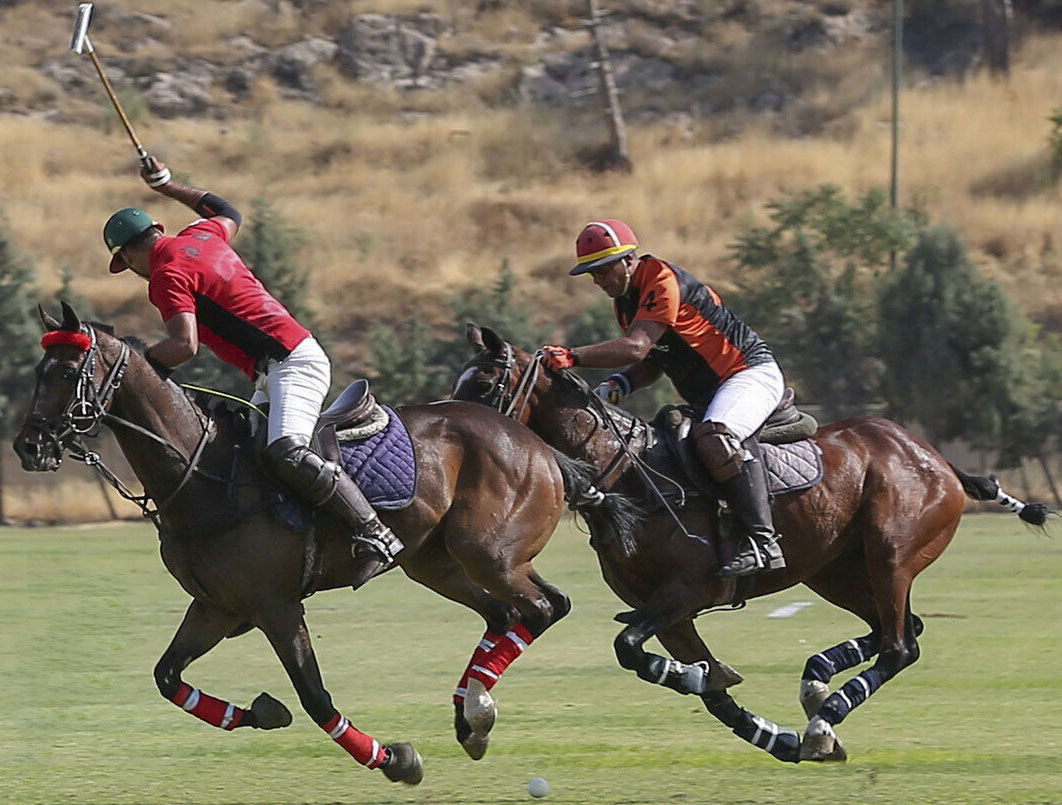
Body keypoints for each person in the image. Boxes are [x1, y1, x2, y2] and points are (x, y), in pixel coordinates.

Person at [102, 157, 402, 588]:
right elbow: (227, 212)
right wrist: (167, 186)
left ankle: (376, 534)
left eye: (125, 263)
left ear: (130, 252)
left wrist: (137, 371)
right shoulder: (200, 234)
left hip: (293, 361)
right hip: (274, 368)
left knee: (286, 452)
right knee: (247, 463)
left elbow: (183, 345)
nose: (130, 271)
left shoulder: (165, 275)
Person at [541, 219, 786, 578]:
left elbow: (637, 347)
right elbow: (653, 360)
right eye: (592, 275)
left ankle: (764, 542)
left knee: (716, 435)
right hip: (711, 392)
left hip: (747, 374)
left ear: (628, 260)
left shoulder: (661, 280)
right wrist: (620, 384)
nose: (599, 280)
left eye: (604, 270)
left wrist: (572, 356)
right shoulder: (625, 302)